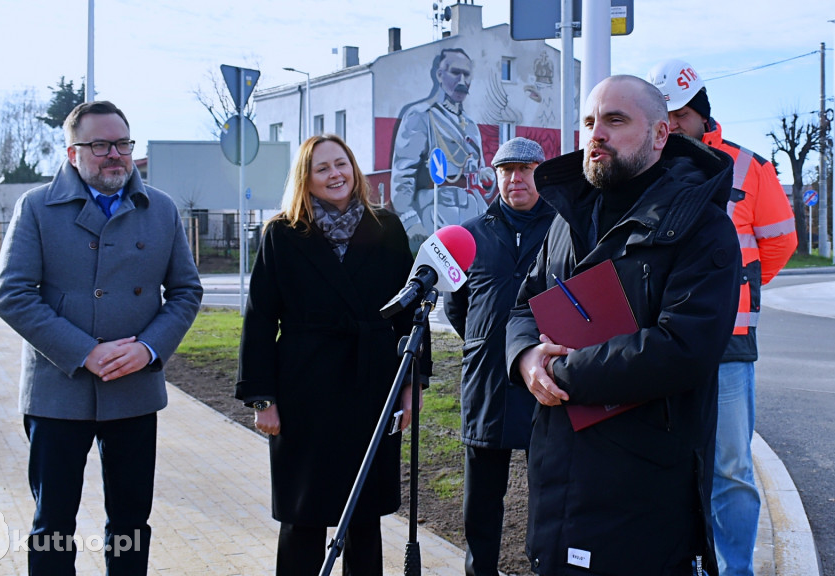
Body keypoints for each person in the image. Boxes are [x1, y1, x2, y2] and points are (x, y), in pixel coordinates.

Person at [505, 75, 741, 576]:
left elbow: (684, 347)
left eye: (615, 120)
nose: (597, 134)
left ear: (660, 134)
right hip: (558, 477)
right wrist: (525, 359)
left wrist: (559, 372)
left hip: (643, 490)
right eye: (590, 121)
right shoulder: (566, 219)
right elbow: (524, 307)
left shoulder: (701, 226)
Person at [0, 100, 203, 575]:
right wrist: (85, 352)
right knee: (52, 525)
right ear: (73, 153)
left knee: (131, 522)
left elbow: (186, 291)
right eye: (101, 145)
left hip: (133, 389)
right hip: (57, 391)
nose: (115, 155)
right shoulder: (37, 207)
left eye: (123, 144)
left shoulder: (160, 209)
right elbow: (12, 295)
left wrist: (148, 348)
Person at [236, 133, 431, 576]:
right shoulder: (282, 233)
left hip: (372, 385)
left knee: (363, 513)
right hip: (304, 388)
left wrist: (412, 384)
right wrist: (262, 399)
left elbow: (410, 312)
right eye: (321, 168)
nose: (335, 174)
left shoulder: (385, 227)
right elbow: (260, 319)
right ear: (305, 178)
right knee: (303, 511)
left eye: (341, 163)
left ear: (354, 169)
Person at [648, 58, 798, 576]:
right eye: (665, 117)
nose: (673, 127)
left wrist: (737, 290)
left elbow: (779, 242)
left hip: (728, 342)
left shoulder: (748, 167)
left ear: (701, 113)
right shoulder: (647, 166)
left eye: (681, 116)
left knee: (730, 467)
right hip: (661, 338)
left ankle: (735, 570)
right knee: (668, 460)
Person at [443, 137, 554, 576]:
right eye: (506, 170)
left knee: (548, 492)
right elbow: (456, 306)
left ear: (540, 174)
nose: (515, 178)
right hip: (487, 380)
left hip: (546, 380)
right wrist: (485, 342)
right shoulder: (472, 234)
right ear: (495, 176)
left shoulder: (563, 229)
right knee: (482, 497)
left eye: (525, 169)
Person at [391, 47, 493, 251]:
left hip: (473, 215)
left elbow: (475, 172)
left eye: (466, 74)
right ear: (439, 75)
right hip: (436, 213)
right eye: (455, 72)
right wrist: (411, 221)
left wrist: (485, 176)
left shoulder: (471, 126)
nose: (462, 80)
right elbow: (402, 176)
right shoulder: (421, 117)